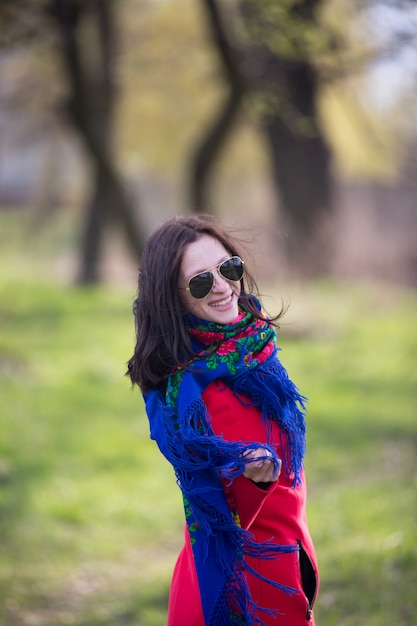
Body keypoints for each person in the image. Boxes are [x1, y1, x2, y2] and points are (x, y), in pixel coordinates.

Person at [127, 215, 319, 626]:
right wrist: (253, 478)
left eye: (228, 268)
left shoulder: (250, 354)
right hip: (245, 593)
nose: (222, 286)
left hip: (285, 565)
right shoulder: (195, 396)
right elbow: (217, 511)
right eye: (200, 281)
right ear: (172, 299)